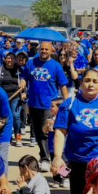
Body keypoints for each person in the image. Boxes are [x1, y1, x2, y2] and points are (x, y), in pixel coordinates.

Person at [23, 42, 71, 171]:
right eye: (42, 49)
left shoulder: (56, 66)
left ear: (51, 51)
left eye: (46, 49)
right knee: (38, 133)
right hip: (33, 103)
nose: (43, 51)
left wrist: (67, 102)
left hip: (49, 105)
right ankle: (44, 156)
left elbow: (63, 85)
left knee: (47, 132)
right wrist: (22, 85)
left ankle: (47, 159)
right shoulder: (31, 63)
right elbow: (24, 77)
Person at [0, 52, 27, 145]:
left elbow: (24, 82)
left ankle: (18, 134)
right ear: (5, 59)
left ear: (15, 60)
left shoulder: (19, 70)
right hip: (3, 97)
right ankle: (6, 136)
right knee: (4, 117)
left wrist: (24, 92)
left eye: (12, 58)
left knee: (15, 116)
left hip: (16, 96)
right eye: (8, 58)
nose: (10, 60)